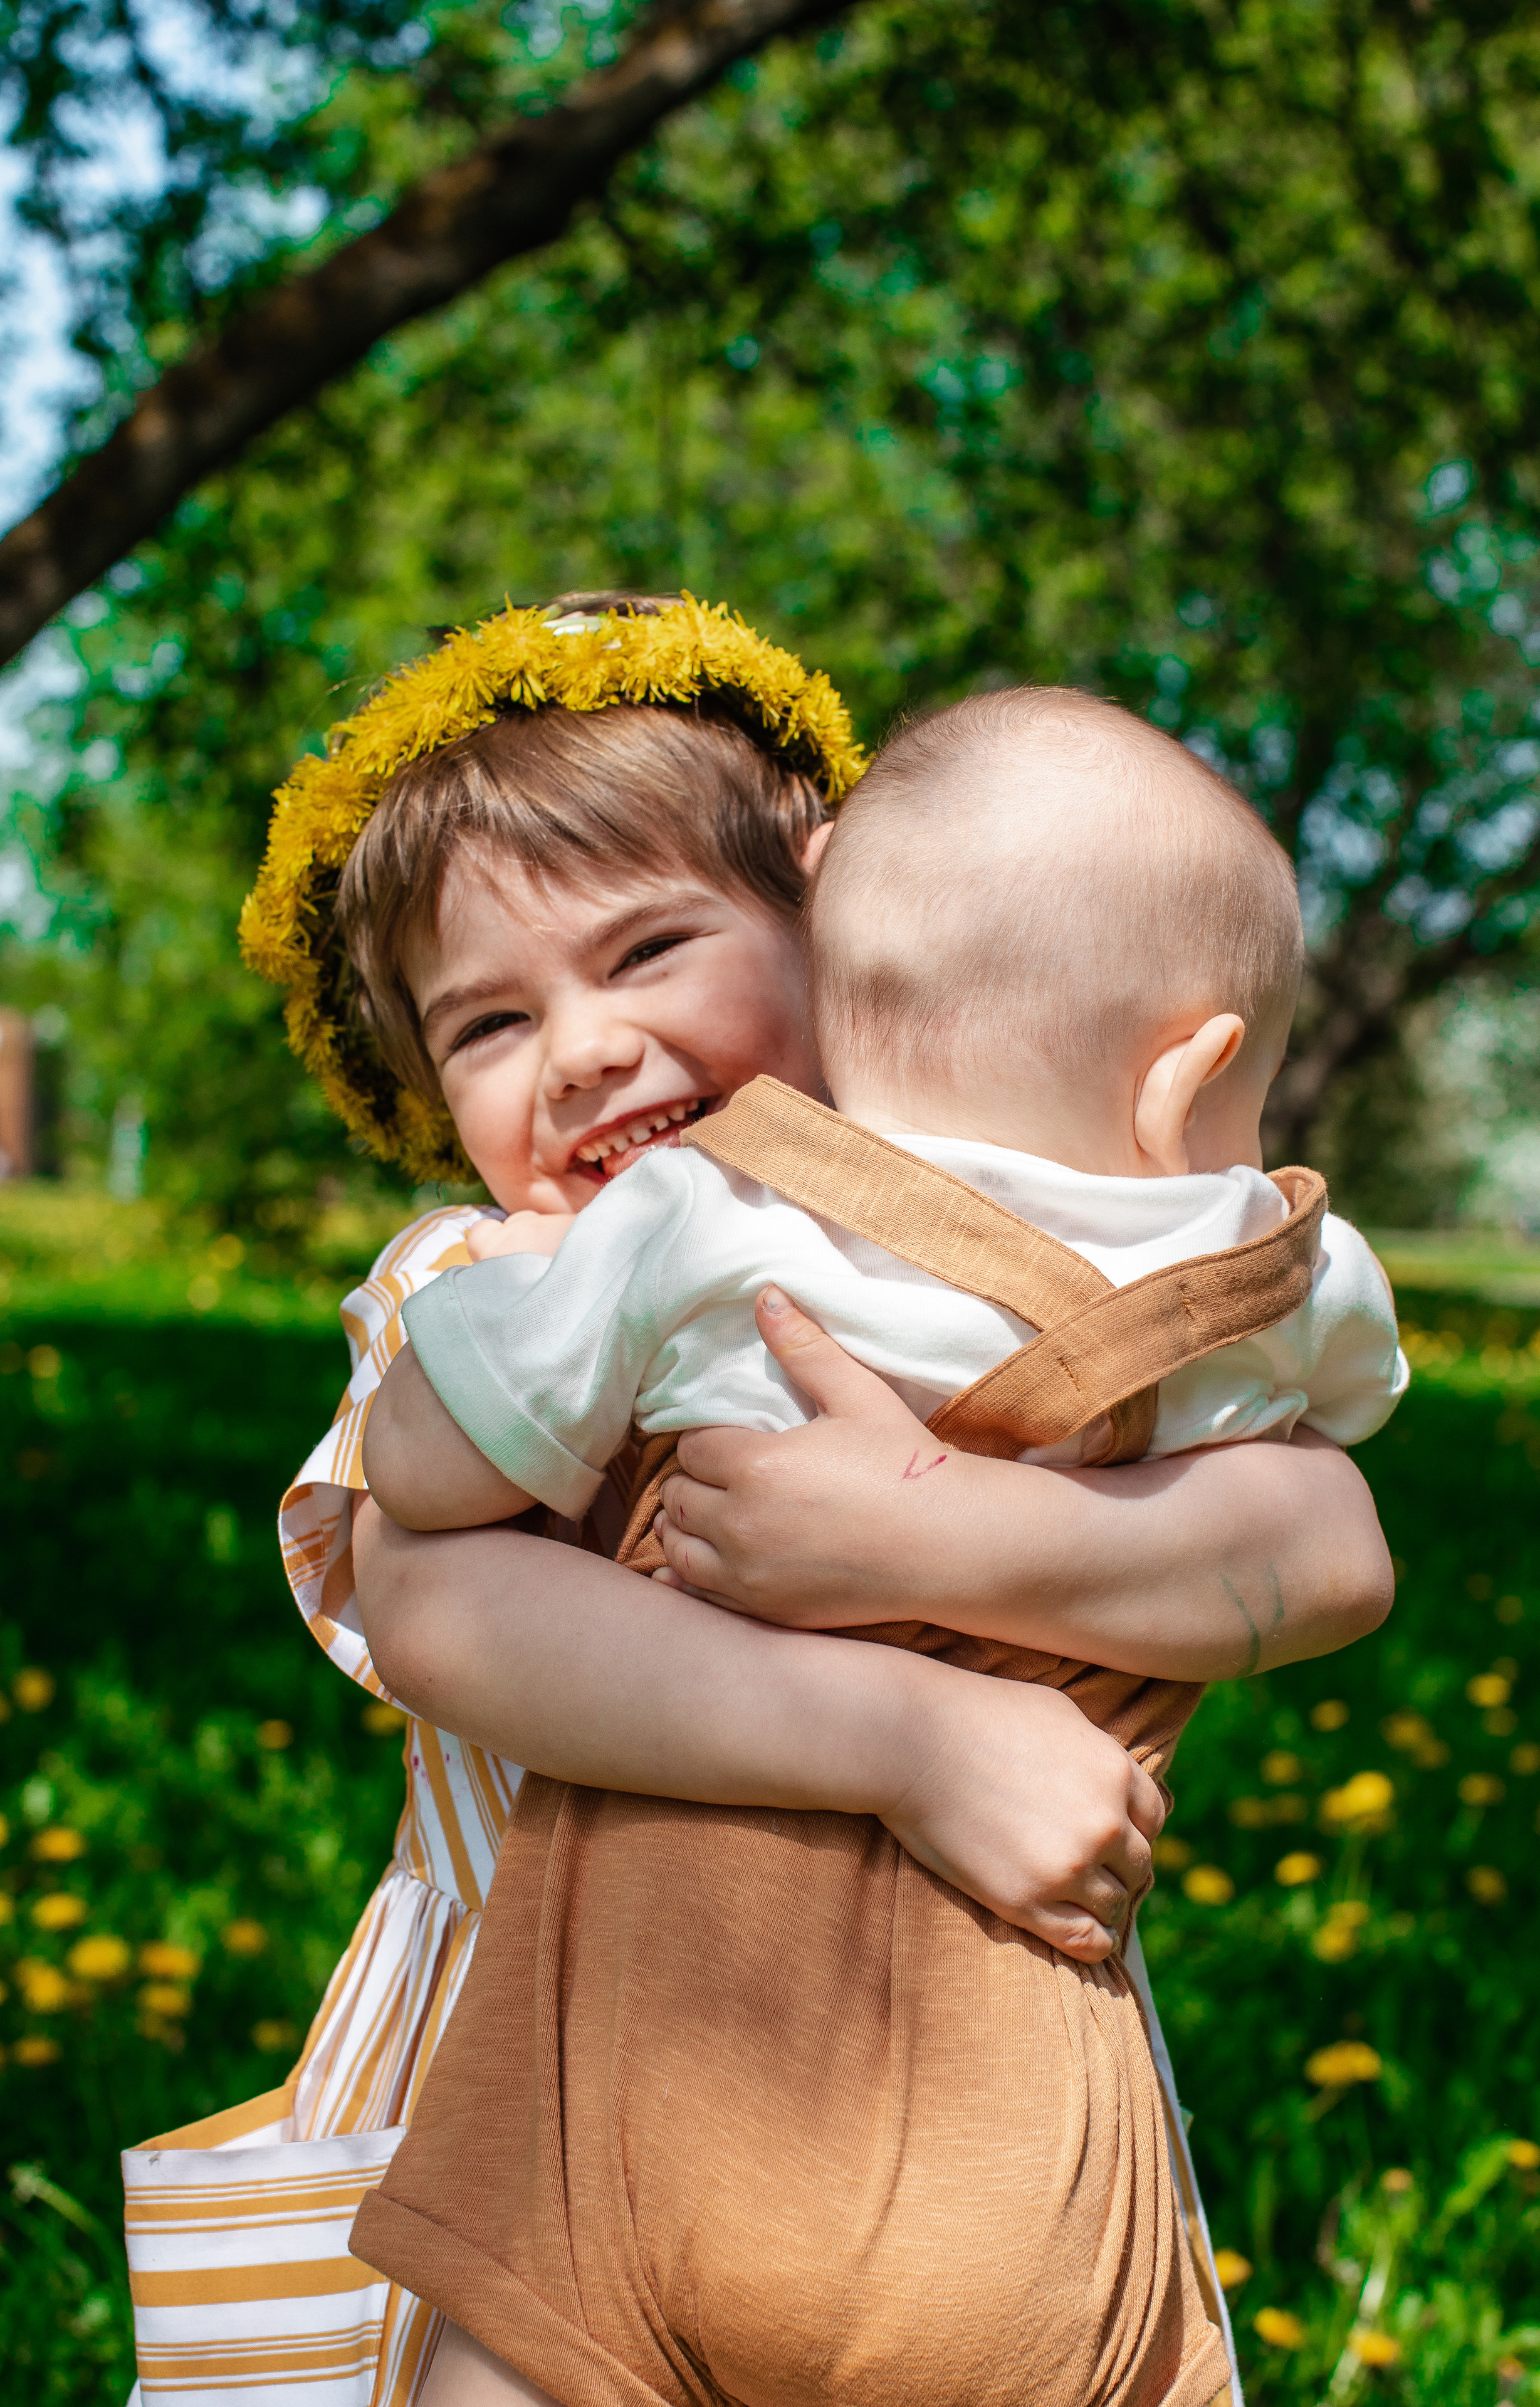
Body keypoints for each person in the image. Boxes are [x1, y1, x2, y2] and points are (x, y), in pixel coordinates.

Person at [120, 602, 1395, 2407]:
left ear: (837, 914)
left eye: (650, 950)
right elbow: (439, 1608)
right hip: (550, 2090)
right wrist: (914, 1735)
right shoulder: (485, 1288)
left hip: (970, 2105)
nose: (580, 1051)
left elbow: (1329, 1546)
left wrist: (947, 1529)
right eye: (488, 1021)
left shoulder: (1051, 1252)